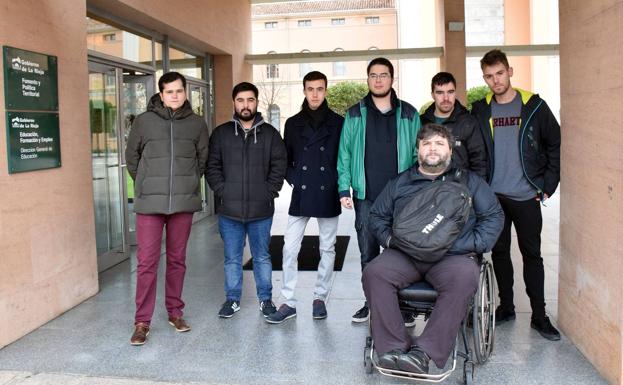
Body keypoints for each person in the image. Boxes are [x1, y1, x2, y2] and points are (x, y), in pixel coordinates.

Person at [363, 123, 504, 373]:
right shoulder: (400, 182)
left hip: (452, 256)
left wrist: (471, 244)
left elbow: (493, 216)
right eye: (426, 143)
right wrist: (391, 242)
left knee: (463, 278)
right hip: (405, 254)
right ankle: (394, 347)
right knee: (375, 273)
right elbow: (377, 217)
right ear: (417, 149)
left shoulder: (469, 181)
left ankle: (423, 353)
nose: (432, 148)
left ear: (450, 150)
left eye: (439, 143)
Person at [471, 49, 561, 340]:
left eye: (499, 73)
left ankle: (539, 315)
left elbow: (554, 144)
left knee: (532, 255)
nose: (495, 80)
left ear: (510, 71)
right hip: (493, 197)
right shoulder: (481, 109)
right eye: (489, 76)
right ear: (484, 78)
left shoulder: (533, 105)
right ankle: (506, 307)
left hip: (526, 195)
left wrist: (547, 185)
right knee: (499, 254)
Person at [125, 71, 209, 345]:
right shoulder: (144, 122)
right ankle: (142, 321)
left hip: (182, 203)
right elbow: (132, 158)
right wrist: (146, 183)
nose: (175, 95)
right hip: (150, 203)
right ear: (160, 95)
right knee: (147, 262)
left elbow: (202, 160)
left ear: (186, 92)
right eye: (169, 91)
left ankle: (175, 312)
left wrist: (184, 183)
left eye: (179, 90)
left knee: (177, 260)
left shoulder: (197, 124)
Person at [337, 57, 420, 323]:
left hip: (402, 199)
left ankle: (402, 305)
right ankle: (372, 302)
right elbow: (345, 154)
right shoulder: (354, 114)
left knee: (401, 254)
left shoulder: (409, 113)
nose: (379, 79)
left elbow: (419, 154)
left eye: (383, 75)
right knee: (368, 255)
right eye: (373, 75)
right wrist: (343, 188)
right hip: (367, 197)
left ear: (392, 79)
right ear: (368, 79)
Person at [266, 71, 344, 324]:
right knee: (289, 248)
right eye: (310, 89)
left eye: (319, 89)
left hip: (327, 190)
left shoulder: (338, 122)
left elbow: (343, 158)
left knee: (327, 248)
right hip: (302, 191)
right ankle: (288, 301)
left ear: (326, 91)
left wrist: (336, 181)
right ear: (304, 90)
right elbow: (285, 158)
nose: (315, 94)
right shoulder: (293, 123)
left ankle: (320, 297)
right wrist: (295, 178)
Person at [206, 81, 287, 319]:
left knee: (261, 256)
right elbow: (212, 167)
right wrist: (223, 191)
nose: (245, 105)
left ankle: (266, 300)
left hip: (261, 211)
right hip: (229, 211)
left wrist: (268, 192)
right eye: (240, 100)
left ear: (256, 102)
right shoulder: (221, 134)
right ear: (234, 102)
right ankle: (232, 299)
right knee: (232, 258)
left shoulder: (270, 134)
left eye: (250, 100)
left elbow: (279, 166)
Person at [420, 72, 487, 178]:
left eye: (450, 92)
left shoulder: (468, 122)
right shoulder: (422, 123)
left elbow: (479, 162)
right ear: (432, 95)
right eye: (440, 93)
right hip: (430, 188)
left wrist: (476, 191)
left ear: (455, 93)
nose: (446, 98)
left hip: (460, 188)